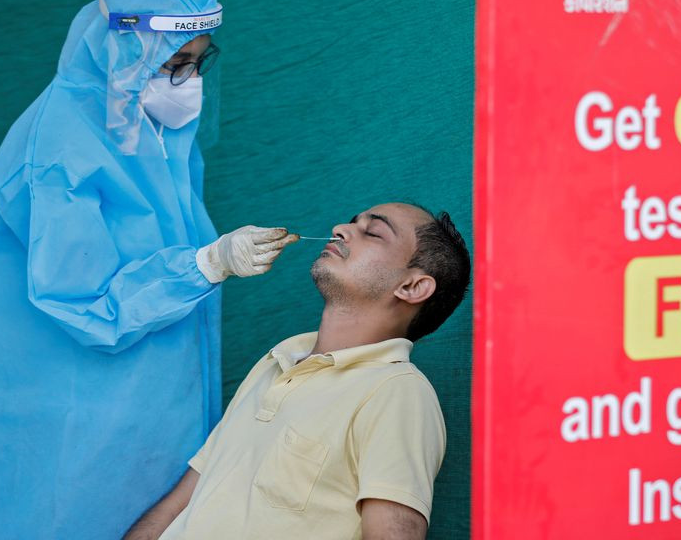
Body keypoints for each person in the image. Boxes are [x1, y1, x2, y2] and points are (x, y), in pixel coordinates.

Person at [0, 0, 297, 540]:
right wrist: (205, 264)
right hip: (84, 434)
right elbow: (83, 304)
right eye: (173, 63)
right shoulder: (61, 154)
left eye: (197, 64)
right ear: (123, 49)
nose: (187, 82)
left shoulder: (145, 128)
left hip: (158, 421)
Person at [124, 202, 471, 540]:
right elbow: (181, 502)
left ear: (412, 287)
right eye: (352, 221)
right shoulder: (275, 362)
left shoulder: (397, 392)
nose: (340, 229)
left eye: (373, 232)